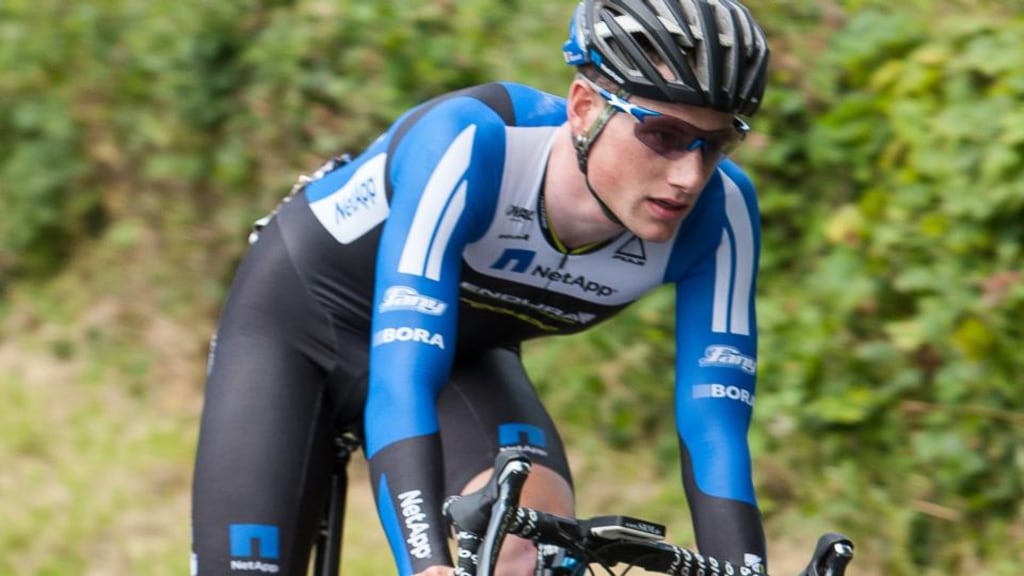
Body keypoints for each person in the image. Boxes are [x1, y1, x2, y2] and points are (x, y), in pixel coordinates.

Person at [190, 0, 771, 574]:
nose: (689, 176)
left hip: (460, 355)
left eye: (716, 143)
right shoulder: (472, 141)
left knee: (527, 554)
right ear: (585, 107)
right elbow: (402, 376)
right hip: (296, 330)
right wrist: (426, 563)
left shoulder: (723, 214)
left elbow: (713, 423)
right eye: (664, 136)